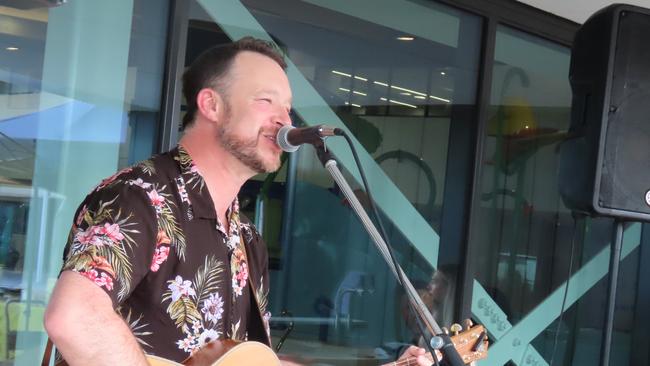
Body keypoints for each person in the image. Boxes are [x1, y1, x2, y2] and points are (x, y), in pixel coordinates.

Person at [43, 37, 430, 366]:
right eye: (266, 101)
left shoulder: (245, 236)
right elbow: (73, 316)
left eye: (287, 106)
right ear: (211, 105)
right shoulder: (141, 196)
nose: (285, 119)